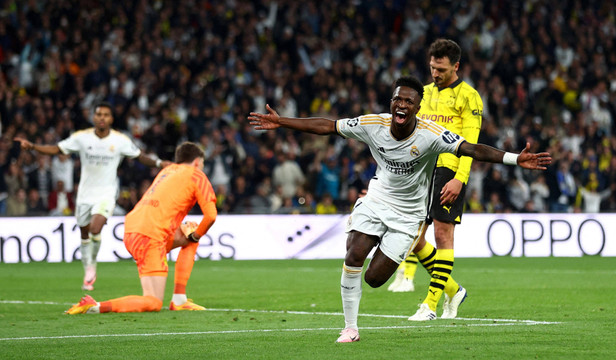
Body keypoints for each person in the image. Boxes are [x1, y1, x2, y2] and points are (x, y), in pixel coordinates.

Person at [248, 75, 551, 343]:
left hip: (408, 215)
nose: (402, 104)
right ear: (391, 102)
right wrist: (282, 121)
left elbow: (471, 148)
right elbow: (327, 126)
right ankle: (350, 328)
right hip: (377, 200)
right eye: (398, 99)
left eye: (409, 100)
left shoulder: (431, 134)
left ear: (418, 108)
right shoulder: (372, 124)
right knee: (353, 254)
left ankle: (421, 271)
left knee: (374, 278)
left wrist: (514, 159)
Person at [14, 102, 171, 291]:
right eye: (99, 114)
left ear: (111, 119)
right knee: (84, 233)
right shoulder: (82, 138)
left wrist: (160, 162)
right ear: (94, 117)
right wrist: (32, 147)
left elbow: (139, 156)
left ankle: (92, 265)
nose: (102, 117)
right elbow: (57, 149)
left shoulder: (120, 140)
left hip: (106, 193)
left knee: (96, 227)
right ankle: (88, 266)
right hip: (84, 195)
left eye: (106, 114)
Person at [390, 39, 483, 323]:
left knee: (443, 236)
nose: (435, 73)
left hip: (448, 170)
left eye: (441, 69)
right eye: (432, 67)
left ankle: (430, 304)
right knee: (412, 238)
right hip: (419, 170)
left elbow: (471, 144)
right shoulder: (422, 94)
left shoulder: (469, 97)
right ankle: (454, 290)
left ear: (455, 66)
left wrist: (460, 179)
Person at [65, 141, 217, 314]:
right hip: (151, 236)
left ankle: (179, 299)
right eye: (202, 164)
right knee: (153, 302)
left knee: (189, 234)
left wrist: (191, 234)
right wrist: (197, 235)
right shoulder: (196, 174)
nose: (202, 167)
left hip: (133, 229)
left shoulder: (167, 171)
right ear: (197, 162)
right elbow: (211, 216)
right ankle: (95, 306)